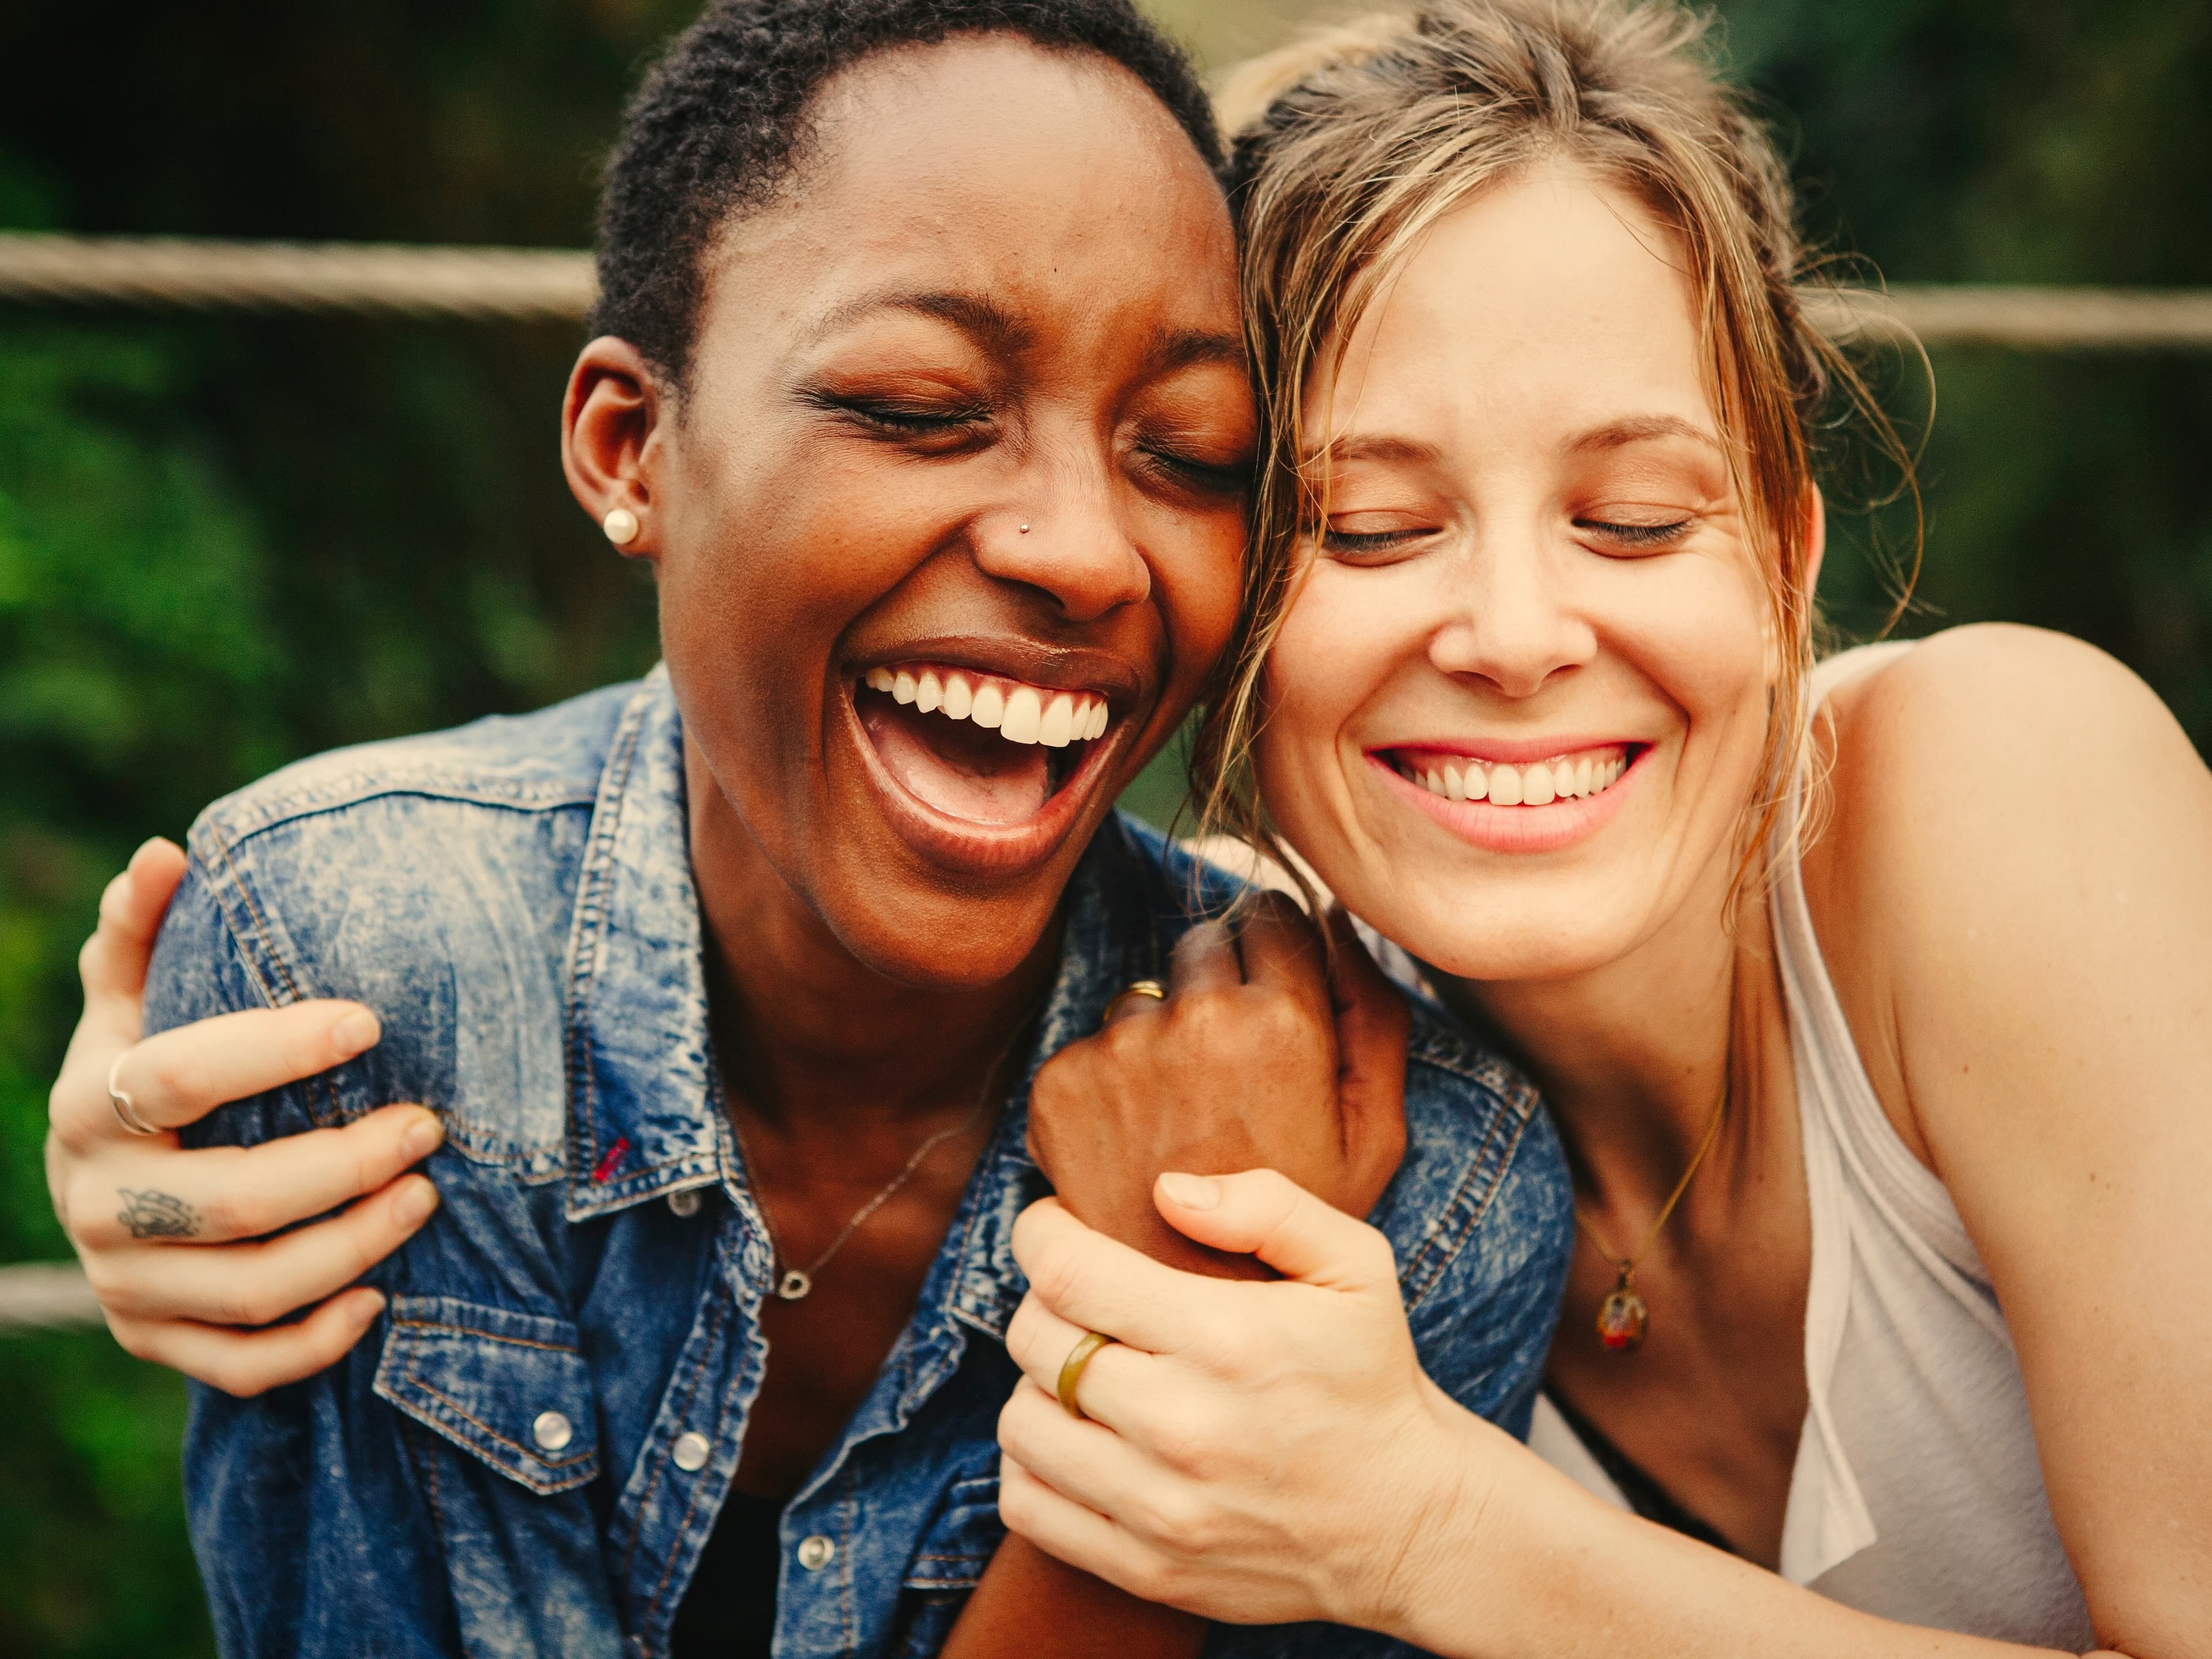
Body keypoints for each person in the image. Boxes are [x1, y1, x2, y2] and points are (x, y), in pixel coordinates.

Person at [39, 3, 1574, 1656]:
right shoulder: (365, 975)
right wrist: (1163, 1401)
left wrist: (1209, 1327)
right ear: (632, 450)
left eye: (1187, 453)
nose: (1084, 549)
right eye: (922, 407)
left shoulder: (1412, 1193)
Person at [988, 3, 2212, 1654]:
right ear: (1223, 621)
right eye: (1371, 527)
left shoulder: (2007, 786)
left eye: (1633, 522)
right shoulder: (1280, 1070)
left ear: (1783, 568)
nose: (1513, 633)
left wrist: (1429, 1531)